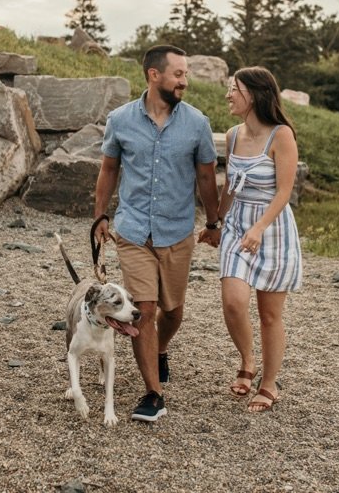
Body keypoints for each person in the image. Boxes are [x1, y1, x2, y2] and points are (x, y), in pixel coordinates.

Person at [93, 44, 222, 422]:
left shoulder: (197, 123)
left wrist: (213, 223)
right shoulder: (120, 119)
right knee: (144, 310)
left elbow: (205, 177)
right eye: (178, 74)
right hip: (132, 230)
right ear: (154, 75)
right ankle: (153, 394)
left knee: (173, 311)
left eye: (185, 74)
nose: (185, 80)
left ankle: (160, 349)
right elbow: (108, 170)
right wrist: (100, 216)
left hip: (177, 232)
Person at [216, 66, 302, 412]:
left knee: (269, 313)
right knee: (233, 300)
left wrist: (261, 227)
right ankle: (247, 359)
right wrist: (214, 222)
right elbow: (229, 187)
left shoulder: (281, 135)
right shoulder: (233, 135)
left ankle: (268, 384)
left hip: (273, 227)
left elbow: (285, 191)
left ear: (253, 94)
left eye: (233, 89)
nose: (228, 95)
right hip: (238, 225)